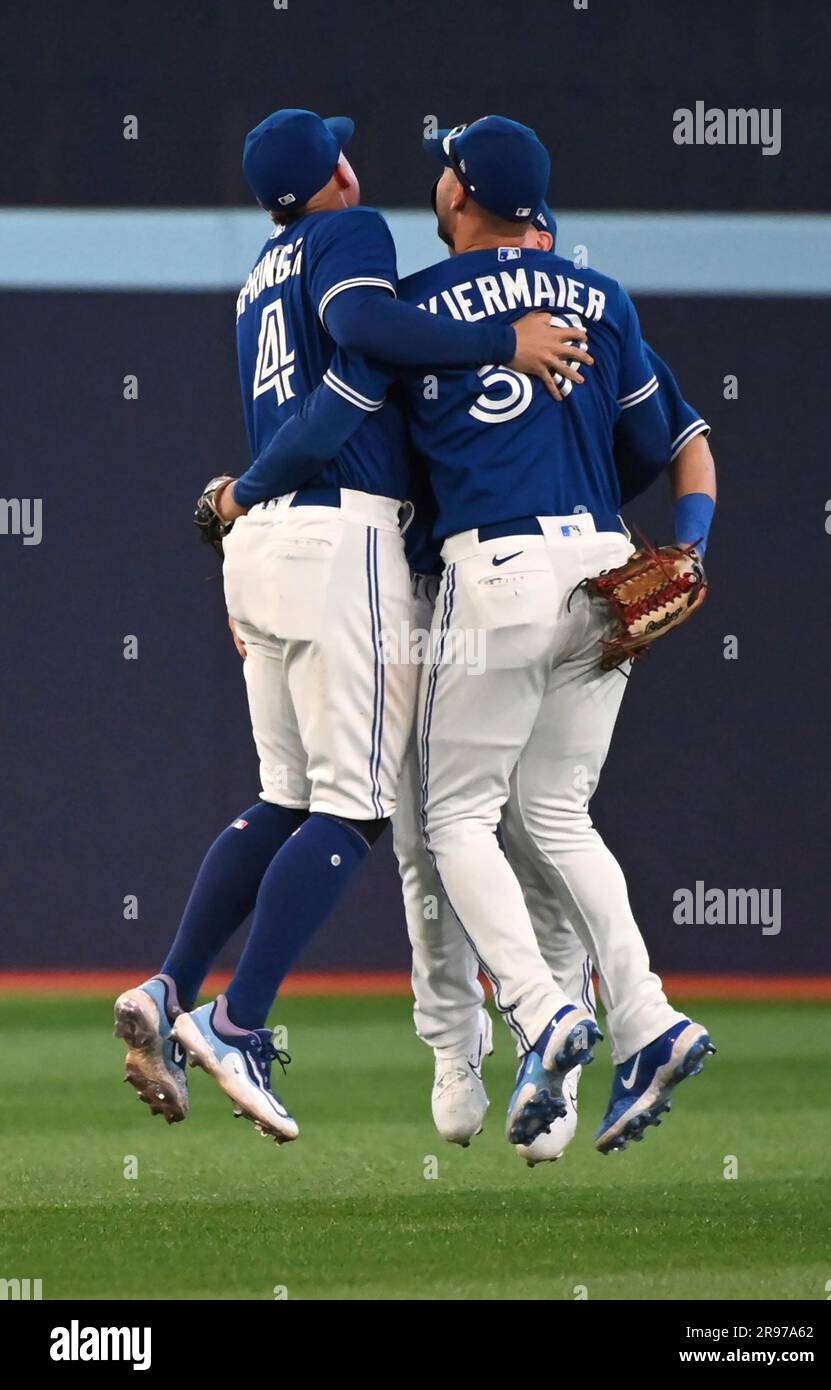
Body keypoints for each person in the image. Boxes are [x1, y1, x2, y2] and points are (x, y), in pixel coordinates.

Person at [220, 116, 718, 1155]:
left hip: (477, 575)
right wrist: (693, 549)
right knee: (554, 817)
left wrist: (246, 497)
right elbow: (677, 439)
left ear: (457, 196)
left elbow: (331, 413)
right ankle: (643, 1019)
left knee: (444, 822)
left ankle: (541, 1018)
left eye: (446, 165)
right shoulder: (599, 295)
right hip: (598, 562)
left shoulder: (410, 306)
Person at [113, 109, 589, 1145]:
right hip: (340, 542)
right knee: (356, 811)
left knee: (284, 796)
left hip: (265, 545)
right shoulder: (352, 231)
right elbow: (368, 336)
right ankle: (236, 1022)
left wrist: (243, 501)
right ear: (336, 170)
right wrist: (501, 339)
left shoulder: (257, 277)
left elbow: (333, 387)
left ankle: (166, 984)